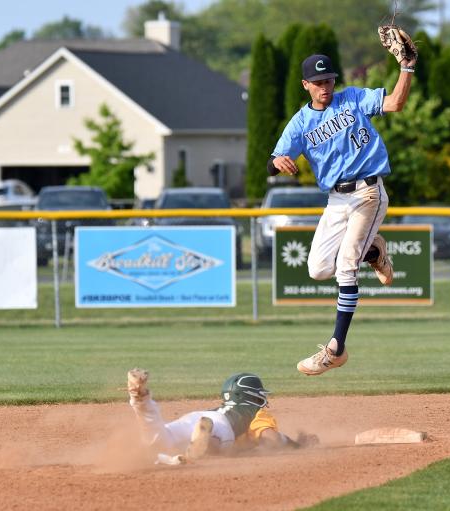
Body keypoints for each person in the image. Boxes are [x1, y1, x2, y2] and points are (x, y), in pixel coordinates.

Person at [268, 44, 417, 376]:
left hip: (368, 192)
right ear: (305, 84)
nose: (325, 87)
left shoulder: (352, 99)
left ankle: (336, 348)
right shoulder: (300, 123)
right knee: (318, 269)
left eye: (329, 80)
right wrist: (277, 161)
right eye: (318, 82)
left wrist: (406, 67)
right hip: (336, 200)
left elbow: (395, 103)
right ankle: (375, 251)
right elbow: (272, 161)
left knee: (345, 268)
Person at [126, 368, 317, 462]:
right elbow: (271, 438)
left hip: (194, 417)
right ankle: (205, 438)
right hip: (219, 426)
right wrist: (296, 445)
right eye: (260, 395)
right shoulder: (255, 412)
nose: (262, 400)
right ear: (250, 396)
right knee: (218, 442)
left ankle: (141, 400)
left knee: (159, 437)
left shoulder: (219, 407)